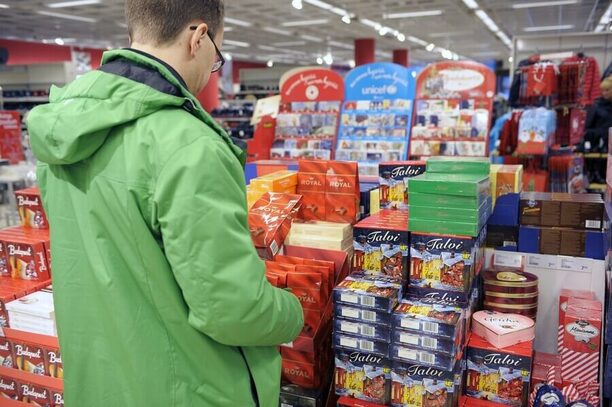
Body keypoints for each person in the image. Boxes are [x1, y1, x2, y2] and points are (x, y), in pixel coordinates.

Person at [26, 1, 304, 406]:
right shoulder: (190, 145)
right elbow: (231, 309)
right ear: (198, 37)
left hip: (99, 380)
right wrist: (293, 311)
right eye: (217, 58)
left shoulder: (60, 132)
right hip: (188, 387)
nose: (211, 71)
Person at [585, 75, 612, 152]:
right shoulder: (596, 107)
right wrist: (601, 133)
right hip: (599, 147)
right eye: (603, 90)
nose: (604, 93)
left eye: (607, 90)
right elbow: (587, 130)